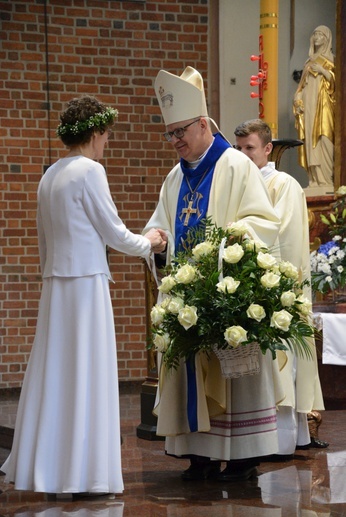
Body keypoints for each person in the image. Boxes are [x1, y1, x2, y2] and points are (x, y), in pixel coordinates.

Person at [0, 95, 167, 495]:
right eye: (106, 136)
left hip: (57, 285)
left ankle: (53, 468)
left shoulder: (49, 175)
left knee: (58, 374)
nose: (106, 143)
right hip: (86, 285)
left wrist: (52, 273)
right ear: (94, 133)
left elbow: (43, 240)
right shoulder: (89, 171)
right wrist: (150, 243)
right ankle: (85, 473)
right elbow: (113, 232)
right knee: (87, 372)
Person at [143, 66, 285, 482]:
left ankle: (242, 455)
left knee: (234, 371)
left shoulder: (236, 166)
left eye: (181, 132)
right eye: (169, 134)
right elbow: (164, 224)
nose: (176, 142)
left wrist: (226, 246)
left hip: (225, 293)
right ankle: (199, 455)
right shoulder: (174, 177)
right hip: (188, 297)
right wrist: (159, 240)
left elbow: (263, 222)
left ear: (203, 124)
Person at [234, 118, 326, 457]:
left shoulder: (283, 184)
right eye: (238, 148)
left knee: (280, 361)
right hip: (244, 287)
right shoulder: (237, 183)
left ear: (268, 148)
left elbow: (283, 236)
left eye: (250, 148)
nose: (243, 155)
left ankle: (281, 440)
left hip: (276, 290)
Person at [293, 25, 335, 188]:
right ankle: (314, 180)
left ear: (327, 39)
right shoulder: (308, 62)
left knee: (325, 138)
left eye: (320, 34)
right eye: (315, 34)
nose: (316, 37)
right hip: (309, 107)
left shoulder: (331, 60)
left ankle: (326, 180)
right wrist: (297, 99)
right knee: (310, 141)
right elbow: (301, 87)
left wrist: (324, 71)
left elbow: (338, 86)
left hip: (324, 106)